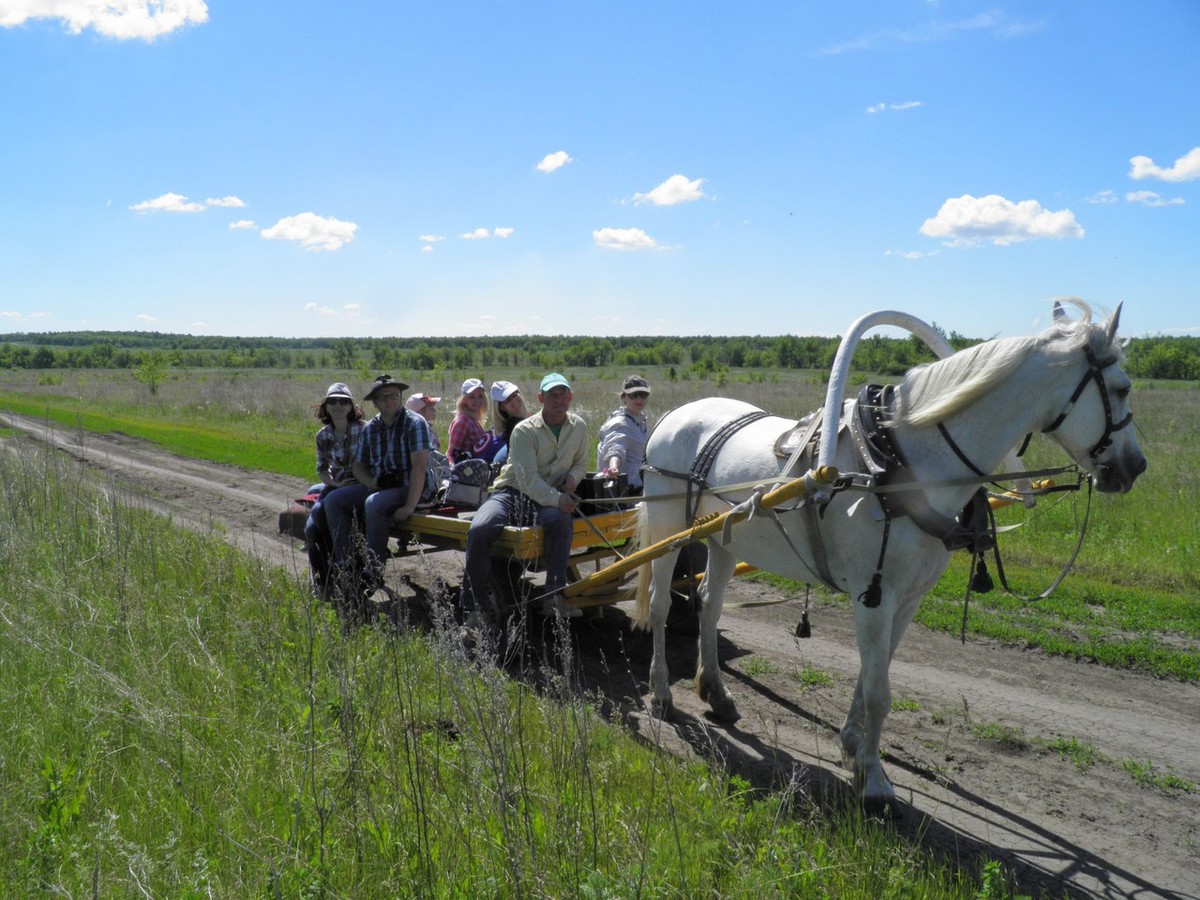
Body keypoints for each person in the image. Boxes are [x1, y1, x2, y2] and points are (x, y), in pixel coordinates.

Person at [462, 372, 589, 626]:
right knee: (480, 528)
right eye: (552, 395)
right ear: (541, 398)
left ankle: (553, 596)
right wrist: (558, 498)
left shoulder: (579, 427)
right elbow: (526, 480)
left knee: (561, 520)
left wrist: (573, 479)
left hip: (546, 498)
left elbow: (581, 464)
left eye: (563, 394)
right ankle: (475, 606)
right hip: (511, 493)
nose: (558, 400)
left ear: (570, 397)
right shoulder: (524, 430)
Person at [323, 374, 433, 592]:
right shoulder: (372, 427)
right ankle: (346, 567)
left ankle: (373, 573)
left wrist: (410, 506)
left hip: (409, 486)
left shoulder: (415, 423)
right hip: (382, 486)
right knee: (333, 499)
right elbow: (358, 465)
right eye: (383, 398)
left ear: (400, 396)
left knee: (374, 503)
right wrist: (370, 482)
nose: (390, 401)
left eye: (394, 395)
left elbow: (419, 468)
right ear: (375, 402)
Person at [304, 382, 366, 596]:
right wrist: (336, 484)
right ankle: (324, 583)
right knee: (312, 527)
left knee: (334, 513)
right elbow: (321, 469)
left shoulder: (364, 429)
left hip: (361, 485)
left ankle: (349, 574)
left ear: (351, 407)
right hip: (337, 485)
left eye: (343, 401)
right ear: (326, 406)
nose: (338, 405)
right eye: (333, 401)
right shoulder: (322, 436)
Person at [596, 375, 652, 494]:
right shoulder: (620, 423)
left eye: (643, 395)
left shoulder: (638, 421)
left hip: (638, 485)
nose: (639, 399)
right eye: (633, 395)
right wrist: (613, 466)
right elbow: (615, 447)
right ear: (624, 397)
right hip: (623, 490)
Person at [481, 379, 528, 466]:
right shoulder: (505, 436)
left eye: (514, 394)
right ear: (501, 407)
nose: (513, 400)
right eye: (507, 400)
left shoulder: (533, 419)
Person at [447, 377, 488, 463]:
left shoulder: (473, 419)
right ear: (464, 400)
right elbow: (451, 453)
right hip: (465, 472)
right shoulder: (463, 420)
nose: (477, 400)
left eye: (480, 396)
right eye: (472, 397)